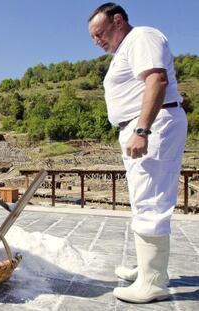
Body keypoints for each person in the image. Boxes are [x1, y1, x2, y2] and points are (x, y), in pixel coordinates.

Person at [88, 3, 187, 303]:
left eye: (100, 33)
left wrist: (142, 129)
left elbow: (156, 79)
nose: (97, 41)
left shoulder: (142, 36)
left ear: (118, 20)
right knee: (143, 199)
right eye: (93, 37)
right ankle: (149, 269)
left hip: (152, 126)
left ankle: (153, 280)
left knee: (151, 200)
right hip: (142, 127)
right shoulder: (126, 48)